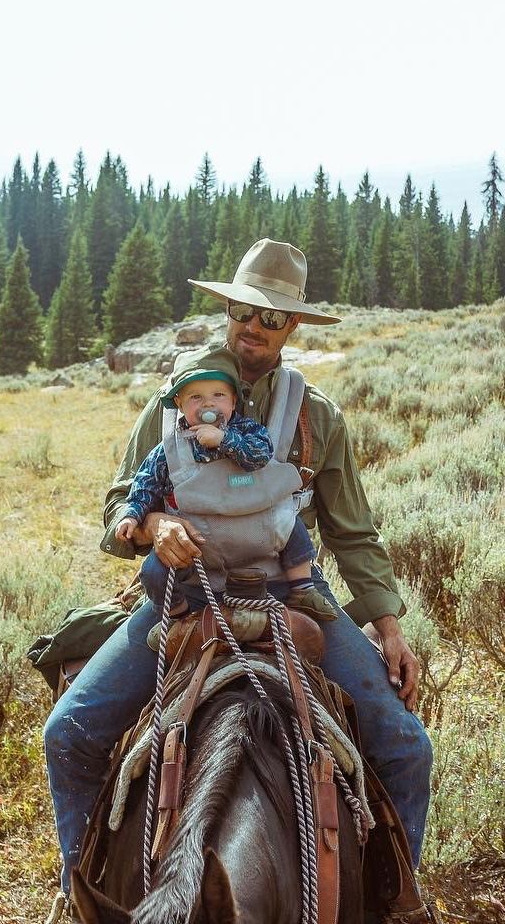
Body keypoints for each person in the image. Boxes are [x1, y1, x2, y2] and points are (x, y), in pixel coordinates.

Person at [43, 238, 432, 916]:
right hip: (184, 592)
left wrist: (387, 625)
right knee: (68, 733)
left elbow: (351, 531)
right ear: (228, 309)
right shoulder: (174, 400)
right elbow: (119, 502)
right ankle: (79, 896)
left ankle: (398, 903)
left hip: (292, 590)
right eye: (242, 310)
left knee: (405, 746)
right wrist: (154, 528)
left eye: (271, 316)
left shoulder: (317, 418)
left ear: (295, 326)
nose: (253, 326)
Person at [115, 345, 332, 618]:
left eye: (218, 395)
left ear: (232, 402)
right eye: (195, 397)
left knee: (291, 526)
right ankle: (177, 616)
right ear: (179, 404)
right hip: (200, 554)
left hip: (263, 533)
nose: (208, 404)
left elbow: (260, 455)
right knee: (153, 572)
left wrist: (225, 440)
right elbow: (145, 483)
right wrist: (134, 515)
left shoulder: (248, 430)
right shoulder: (170, 448)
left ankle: (303, 588)